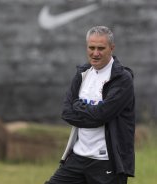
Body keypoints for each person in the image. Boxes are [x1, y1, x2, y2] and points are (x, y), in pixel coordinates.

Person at [45, 26, 135, 184]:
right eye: (91, 48)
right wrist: (94, 114)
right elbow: (67, 113)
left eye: (101, 48)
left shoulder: (122, 78)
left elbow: (103, 115)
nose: (95, 53)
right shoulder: (82, 73)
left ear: (111, 48)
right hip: (77, 158)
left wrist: (78, 106)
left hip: (107, 162)